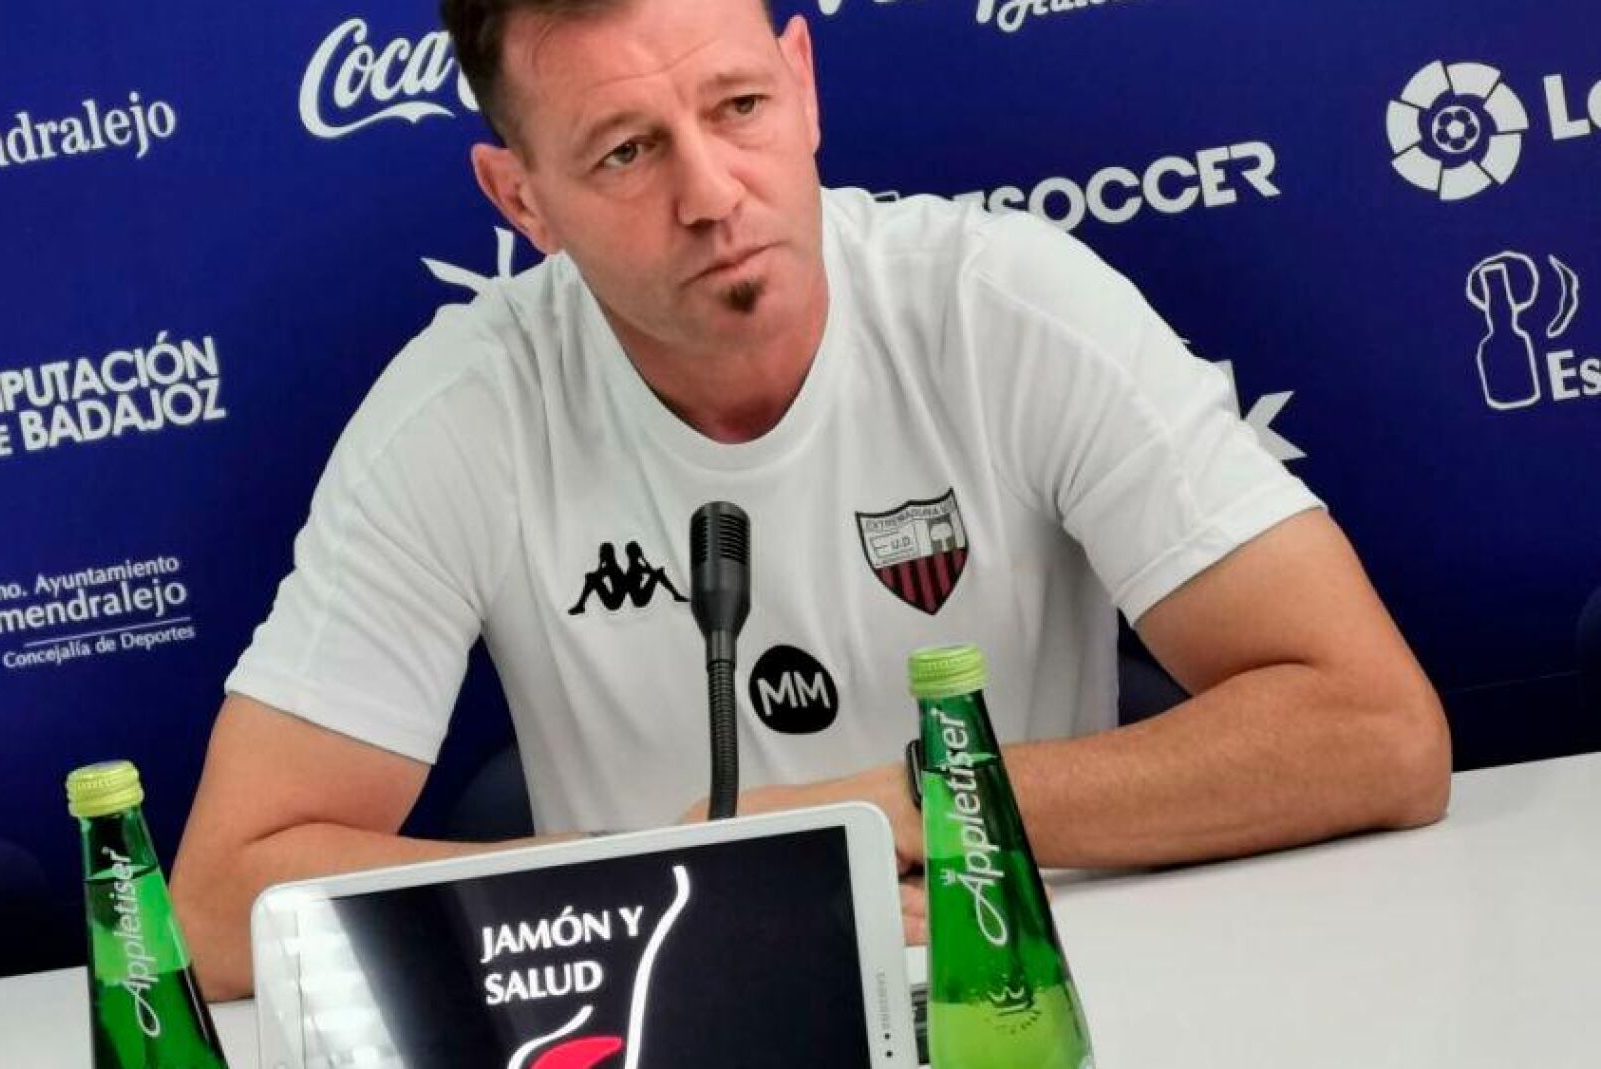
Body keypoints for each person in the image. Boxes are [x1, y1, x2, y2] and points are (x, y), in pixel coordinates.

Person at [170, 0, 1452, 998]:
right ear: (524, 200)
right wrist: (684, 892)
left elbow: (1380, 732)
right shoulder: (464, 407)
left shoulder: (1000, 304)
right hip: (674, 1015)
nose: (711, 196)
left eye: (738, 106)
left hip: (1045, 992)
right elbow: (224, 903)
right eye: (626, 152)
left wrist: (911, 806)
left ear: (804, 84)